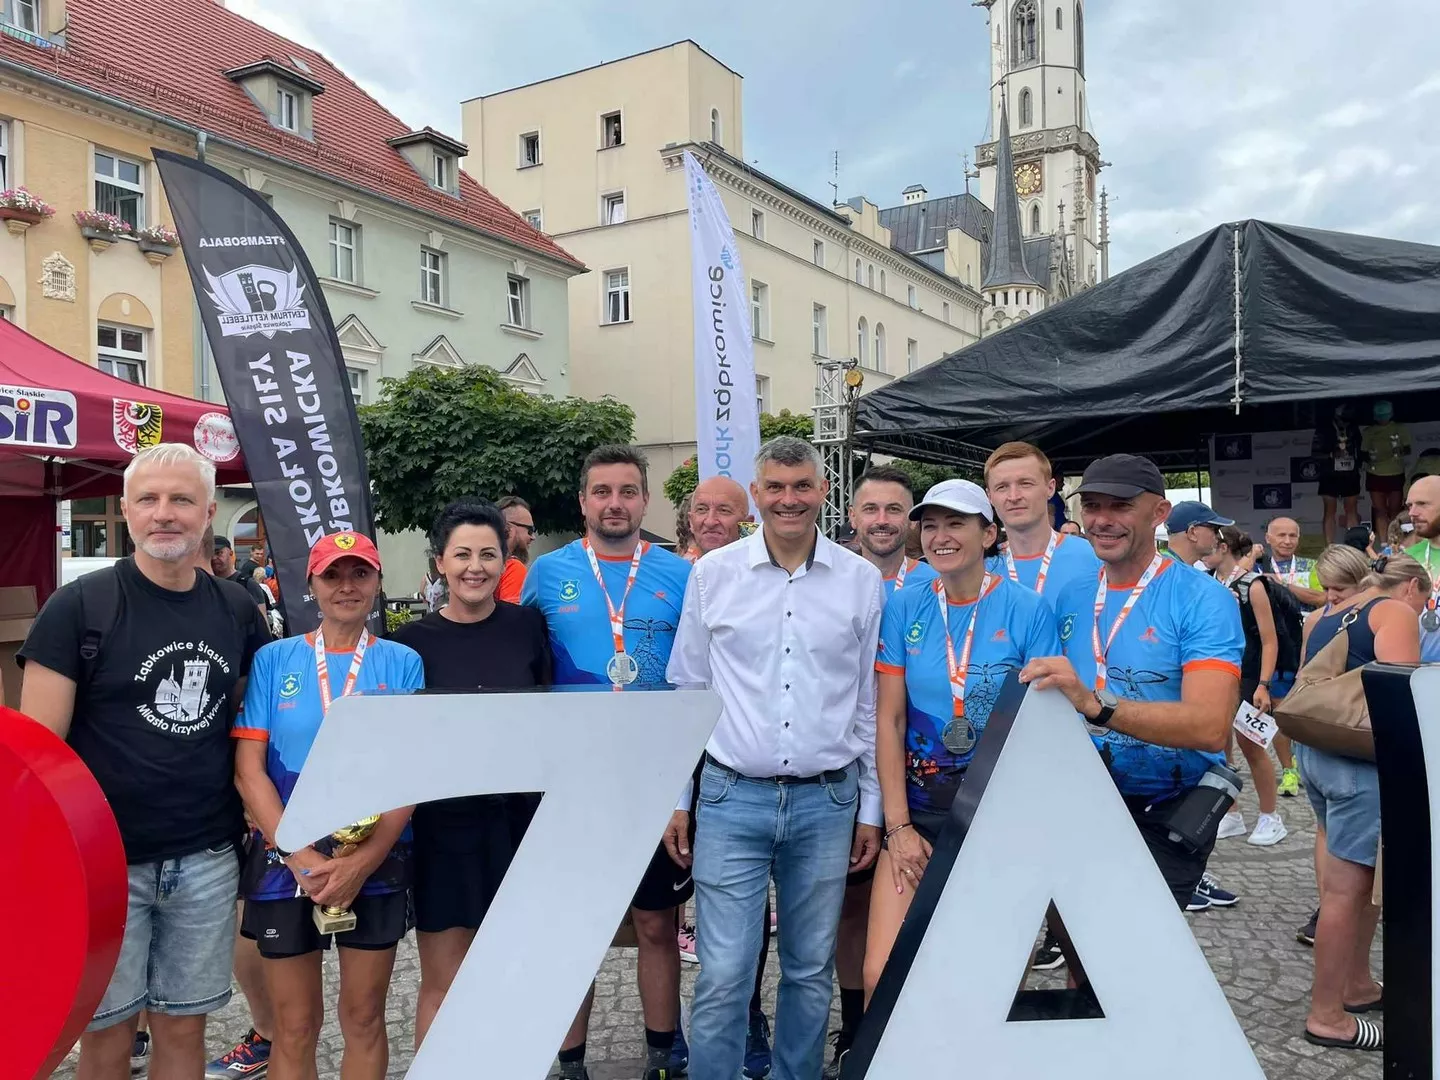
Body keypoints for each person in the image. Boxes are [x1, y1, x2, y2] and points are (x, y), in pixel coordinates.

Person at [19, 444, 272, 1080]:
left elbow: (248, 726)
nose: (164, 513)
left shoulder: (237, 610)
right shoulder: (78, 607)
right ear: (127, 510)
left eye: (182, 499)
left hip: (206, 858)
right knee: (105, 1037)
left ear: (208, 512)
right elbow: (38, 757)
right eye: (149, 499)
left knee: (183, 1032)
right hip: (102, 864)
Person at [668, 436, 884, 1080]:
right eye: (776, 488)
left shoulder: (861, 581)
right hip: (732, 797)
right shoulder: (713, 575)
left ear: (823, 491)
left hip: (828, 801)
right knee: (724, 972)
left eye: (802, 486)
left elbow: (868, 703)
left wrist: (870, 808)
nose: (789, 500)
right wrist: (679, 798)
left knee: (810, 971)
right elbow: (689, 691)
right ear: (755, 495)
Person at [521, 445, 693, 1080]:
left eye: (626, 491)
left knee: (657, 925)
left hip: (655, 782)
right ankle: (571, 1065)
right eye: (602, 492)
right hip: (572, 787)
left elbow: (697, 681)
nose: (614, 504)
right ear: (583, 502)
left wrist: (683, 793)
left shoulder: (680, 575)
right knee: (574, 930)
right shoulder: (546, 573)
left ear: (645, 500)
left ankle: (662, 1058)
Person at [233, 531, 424, 1080]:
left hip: (376, 860)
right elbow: (249, 770)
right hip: (285, 860)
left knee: (363, 1018)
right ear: (311, 584)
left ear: (378, 582)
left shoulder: (402, 662)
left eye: (360, 573)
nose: (347, 586)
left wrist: (360, 863)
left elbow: (409, 772)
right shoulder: (275, 660)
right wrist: (300, 857)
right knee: (295, 1026)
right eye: (333, 574)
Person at [866, 479, 1059, 1018]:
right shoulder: (904, 606)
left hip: (999, 821)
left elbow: (1042, 726)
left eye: (956, 524)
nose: (940, 536)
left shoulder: (1027, 609)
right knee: (882, 974)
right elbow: (890, 720)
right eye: (930, 525)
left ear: (989, 534)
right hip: (919, 821)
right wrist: (898, 828)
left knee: (989, 982)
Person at [1021, 454, 1245, 915]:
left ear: (1159, 513)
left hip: (1169, 808)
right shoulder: (1074, 593)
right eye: (1092, 506)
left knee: (1137, 947)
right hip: (1081, 800)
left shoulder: (1203, 599)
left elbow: (1209, 727)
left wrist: (1097, 705)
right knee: (1073, 939)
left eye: (1120, 506)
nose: (1102, 520)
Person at [390, 499, 551, 1049]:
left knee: (514, 974)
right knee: (444, 981)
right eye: (462, 555)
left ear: (505, 559)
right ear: (440, 562)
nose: (475, 567)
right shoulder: (413, 644)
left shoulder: (528, 627)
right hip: (444, 826)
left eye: (488, 554)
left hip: (519, 824)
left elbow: (550, 717)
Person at [1297, 554, 1427, 1053]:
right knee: (1347, 892)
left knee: (1354, 878)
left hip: (1317, 753)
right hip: (1359, 763)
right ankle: (1327, 1016)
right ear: (1409, 586)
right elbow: (1401, 702)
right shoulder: (1393, 613)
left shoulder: (1323, 616)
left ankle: (1356, 984)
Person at [983, 440, 1102, 967]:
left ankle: (1076, 955)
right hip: (1000, 740)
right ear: (990, 497)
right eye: (1002, 487)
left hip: (1078, 736)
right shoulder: (983, 564)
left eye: (1025, 483)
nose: (1014, 496)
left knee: (1081, 874)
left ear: (1051, 488)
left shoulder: (1090, 556)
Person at [676, 473, 771, 1079]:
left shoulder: (762, 575)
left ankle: (750, 1015)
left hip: (743, 764)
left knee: (745, 911)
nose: (712, 519)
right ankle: (680, 1033)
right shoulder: (672, 575)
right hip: (680, 756)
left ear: (746, 516)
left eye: (725, 510)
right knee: (677, 915)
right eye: (702, 509)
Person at [1290, 543, 1373, 949]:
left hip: (1316, 740)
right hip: (1347, 743)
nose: (1331, 598)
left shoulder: (1319, 620)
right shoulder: (1376, 614)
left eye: (1339, 588)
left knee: (1326, 832)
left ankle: (1327, 913)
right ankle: (1336, 919)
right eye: (1326, 589)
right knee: (1348, 848)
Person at [1205, 527, 1286, 847]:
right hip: (1217, 673)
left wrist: (1264, 684)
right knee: (1219, 745)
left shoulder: (1253, 584)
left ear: (1224, 547)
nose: (1205, 553)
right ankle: (1231, 812)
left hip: (1250, 675)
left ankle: (1270, 816)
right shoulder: (1209, 580)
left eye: (1210, 546)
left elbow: (1269, 640)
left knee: (1250, 744)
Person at [1313, 403, 1364, 544]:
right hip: (1329, 474)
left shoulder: (1353, 428)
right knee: (1330, 510)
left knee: (1351, 509)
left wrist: (1357, 462)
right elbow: (1315, 453)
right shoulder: (1324, 428)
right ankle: (1329, 546)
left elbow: (1360, 449)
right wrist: (1331, 454)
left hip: (1350, 473)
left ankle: (1354, 546)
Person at [1362, 400, 1411, 543]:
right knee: (1380, 510)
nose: (1382, 419)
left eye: (1385, 416)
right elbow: (1363, 453)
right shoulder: (1369, 431)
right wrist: (1374, 457)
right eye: (1380, 416)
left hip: (1395, 473)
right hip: (1375, 474)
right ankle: (1384, 543)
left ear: (1391, 414)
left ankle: (1394, 541)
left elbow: (1408, 449)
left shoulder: (1400, 428)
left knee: (1395, 510)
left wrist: (1398, 451)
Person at [1404, 474, 1440, 663]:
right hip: (1416, 671)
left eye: (1422, 504)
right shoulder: (1406, 559)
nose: (1412, 513)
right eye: (1410, 506)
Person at [213, 534, 271, 615]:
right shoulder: (206, 583)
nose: (213, 558)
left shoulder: (247, 584)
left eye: (218, 553)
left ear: (231, 553)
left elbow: (261, 618)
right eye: (210, 554)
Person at [496, 494, 536, 603]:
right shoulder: (512, 568)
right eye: (530, 530)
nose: (533, 537)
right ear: (509, 528)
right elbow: (511, 612)